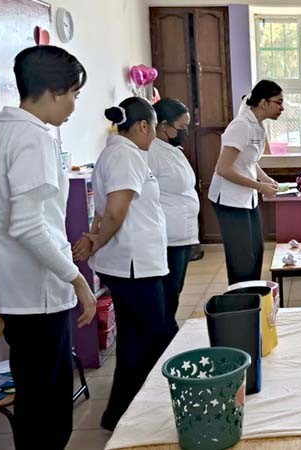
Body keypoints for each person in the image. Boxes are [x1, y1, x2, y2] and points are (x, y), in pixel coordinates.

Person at [0, 45, 95, 449]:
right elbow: (28, 226)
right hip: (38, 294)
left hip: (9, 290)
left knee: (31, 395)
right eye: (74, 96)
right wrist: (76, 278)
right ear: (54, 91)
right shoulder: (34, 140)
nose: (74, 107)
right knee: (50, 405)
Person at [73, 97, 172, 431]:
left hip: (132, 263)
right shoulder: (126, 154)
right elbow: (116, 208)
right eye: (154, 128)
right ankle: (126, 413)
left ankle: (121, 412)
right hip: (134, 265)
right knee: (147, 337)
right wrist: (98, 239)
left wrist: (95, 235)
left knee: (138, 337)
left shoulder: (116, 153)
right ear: (143, 125)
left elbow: (103, 211)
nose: (155, 136)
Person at [208, 80, 282, 285]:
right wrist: (260, 187)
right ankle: (241, 303)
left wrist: (265, 179)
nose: (282, 108)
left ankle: (253, 296)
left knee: (256, 251)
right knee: (242, 259)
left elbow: (249, 162)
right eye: (279, 102)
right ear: (263, 103)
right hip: (229, 200)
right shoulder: (240, 125)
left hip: (246, 199)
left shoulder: (257, 126)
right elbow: (224, 169)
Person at [149, 98, 199, 334]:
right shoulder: (151, 153)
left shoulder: (171, 150)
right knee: (167, 293)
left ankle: (167, 330)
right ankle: (165, 335)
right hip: (168, 237)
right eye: (181, 127)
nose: (185, 132)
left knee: (174, 291)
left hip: (183, 235)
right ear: (163, 125)